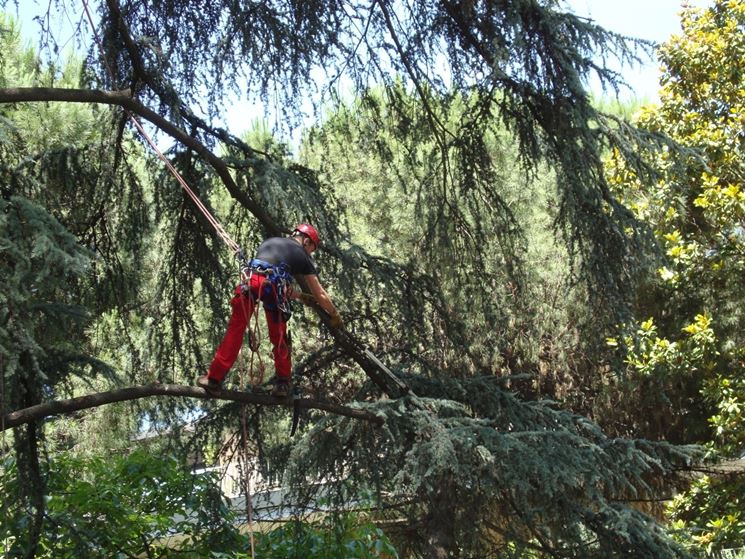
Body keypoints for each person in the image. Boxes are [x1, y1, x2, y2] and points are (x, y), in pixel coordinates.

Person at [197, 224, 341, 397]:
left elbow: (270, 274)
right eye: (311, 249)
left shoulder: (270, 242)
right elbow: (320, 294)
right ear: (306, 241)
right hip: (274, 289)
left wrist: (298, 295)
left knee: (235, 329)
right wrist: (334, 313)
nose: (310, 253)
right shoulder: (303, 255)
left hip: (251, 281)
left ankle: (214, 379)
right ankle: (282, 383)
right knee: (279, 338)